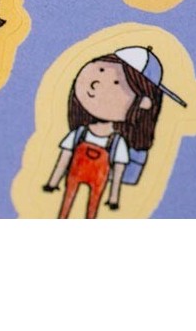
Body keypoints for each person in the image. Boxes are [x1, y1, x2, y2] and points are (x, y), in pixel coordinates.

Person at [42, 45, 184, 218]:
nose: (95, 83)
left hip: (99, 180)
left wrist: (114, 196)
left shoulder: (117, 143)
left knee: (93, 207)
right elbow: (64, 158)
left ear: (144, 103)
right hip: (73, 176)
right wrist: (53, 181)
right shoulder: (80, 133)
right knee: (67, 200)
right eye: (100, 70)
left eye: (117, 83)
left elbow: (118, 170)